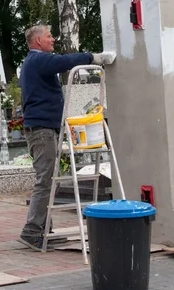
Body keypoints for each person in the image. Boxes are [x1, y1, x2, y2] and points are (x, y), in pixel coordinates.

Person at [18, 24, 115, 251]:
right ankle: (32, 230)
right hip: (41, 129)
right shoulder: (37, 60)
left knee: (48, 178)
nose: (53, 40)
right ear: (38, 41)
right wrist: (93, 57)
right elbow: (62, 62)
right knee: (46, 179)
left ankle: (43, 230)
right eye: (49, 36)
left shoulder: (33, 62)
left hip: (44, 128)